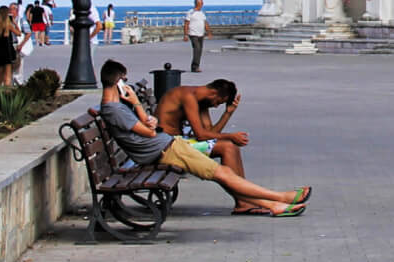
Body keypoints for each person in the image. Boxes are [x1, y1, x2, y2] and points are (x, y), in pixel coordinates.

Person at [98, 61, 306, 217]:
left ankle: (271, 204)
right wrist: (136, 106)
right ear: (118, 82)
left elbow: (149, 124)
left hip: (170, 146)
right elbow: (152, 132)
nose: (127, 85)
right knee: (222, 171)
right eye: (124, 81)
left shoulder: (118, 107)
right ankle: (278, 198)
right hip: (167, 150)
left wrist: (137, 107)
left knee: (223, 172)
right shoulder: (115, 109)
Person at [156, 79, 253, 182]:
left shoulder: (201, 101)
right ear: (213, 93)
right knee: (227, 147)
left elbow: (211, 133)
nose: (215, 106)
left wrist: (227, 113)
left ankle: (244, 191)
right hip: (167, 147)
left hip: (178, 143)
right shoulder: (188, 97)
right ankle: (242, 193)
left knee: (232, 146)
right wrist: (230, 136)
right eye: (218, 102)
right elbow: (201, 136)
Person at [0, 4, 20, 86]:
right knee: (7, 77)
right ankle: (6, 94)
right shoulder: (8, 25)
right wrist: (14, 23)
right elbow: (19, 33)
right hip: (7, 51)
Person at [184, 0, 210, 72]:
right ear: (196, 4)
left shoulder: (201, 13)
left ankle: (196, 65)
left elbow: (205, 23)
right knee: (197, 49)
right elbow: (186, 24)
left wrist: (208, 32)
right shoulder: (191, 12)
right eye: (200, 3)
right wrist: (185, 35)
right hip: (193, 34)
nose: (202, 5)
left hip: (201, 34)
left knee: (200, 50)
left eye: (202, 3)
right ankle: (195, 67)